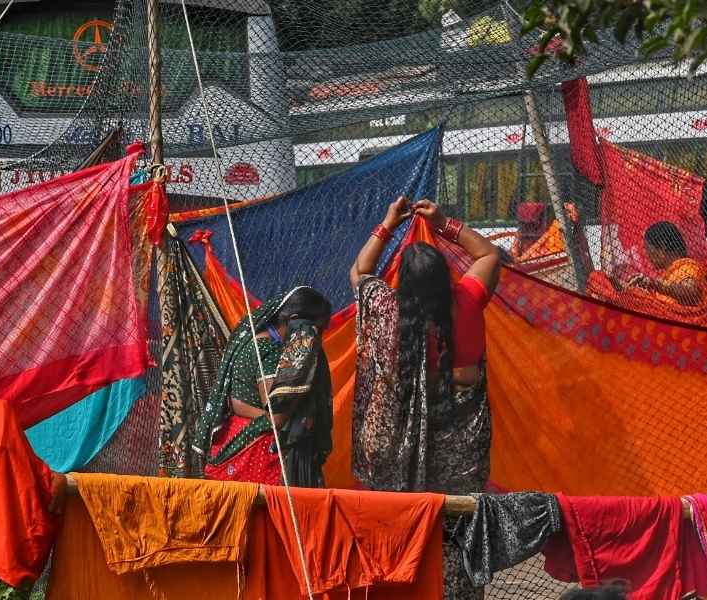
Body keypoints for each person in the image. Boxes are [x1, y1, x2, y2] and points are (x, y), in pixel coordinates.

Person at [349, 196, 500, 494]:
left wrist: (389, 223)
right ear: (445, 276)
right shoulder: (467, 301)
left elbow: (360, 272)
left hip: (397, 449)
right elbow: (489, 255)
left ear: (402, 282)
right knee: (457, 519)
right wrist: (443, 223)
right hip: (461, 452)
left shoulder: (386, 309)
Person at [194, 287, 333, 488]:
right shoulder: (270, 349)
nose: (316, 338)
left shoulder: (254, 339)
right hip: (259, 451)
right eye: (316, 330)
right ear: (295, 319)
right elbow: (276, 413)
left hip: (235, 436)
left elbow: (237, 402)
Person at [626, 221, 707, 306]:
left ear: (662, 247)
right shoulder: (668, 276)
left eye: (647, 248)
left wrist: (655, 284)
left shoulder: (688, 267)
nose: (647, 254)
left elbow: (692, 292)